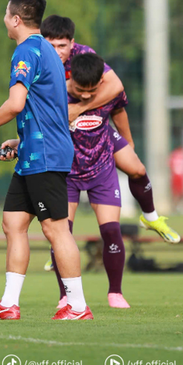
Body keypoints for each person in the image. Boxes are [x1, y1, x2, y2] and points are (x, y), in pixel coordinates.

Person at [0, 0, 92, 321]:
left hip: (46, 155)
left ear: (16, 19)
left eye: (5, 15)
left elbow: (15, 103)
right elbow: (44, 109)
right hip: (33, 152)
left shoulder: (26, 51)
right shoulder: (48, 51)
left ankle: (78, 306)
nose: (3, 21)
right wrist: (18, 141)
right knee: (13, 223)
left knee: (56, 229)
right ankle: (9, 304)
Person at [40, 14, 180, 244]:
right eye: (51, 45)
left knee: (136, 168)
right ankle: (60, 253)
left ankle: (151, 218)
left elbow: (116, 90)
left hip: (96, 125)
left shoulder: (84, 56)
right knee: (62, 211)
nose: (57, 51)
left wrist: (78, 108)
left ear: (72, 43)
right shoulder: (36, 62)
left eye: (62, 45)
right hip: (63, 137)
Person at [61, 53, 131, 308]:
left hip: (101, 170)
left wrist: (129, 143)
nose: (88, 96)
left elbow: (120, 111)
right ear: (71, 79)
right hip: (66, 173)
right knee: (62, 234)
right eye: (81, 90)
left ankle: (115, 293)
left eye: (92, 90)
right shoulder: (56, 92)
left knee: (112, 230)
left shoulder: (109, 91)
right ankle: (64, 296)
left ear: (101, 81)